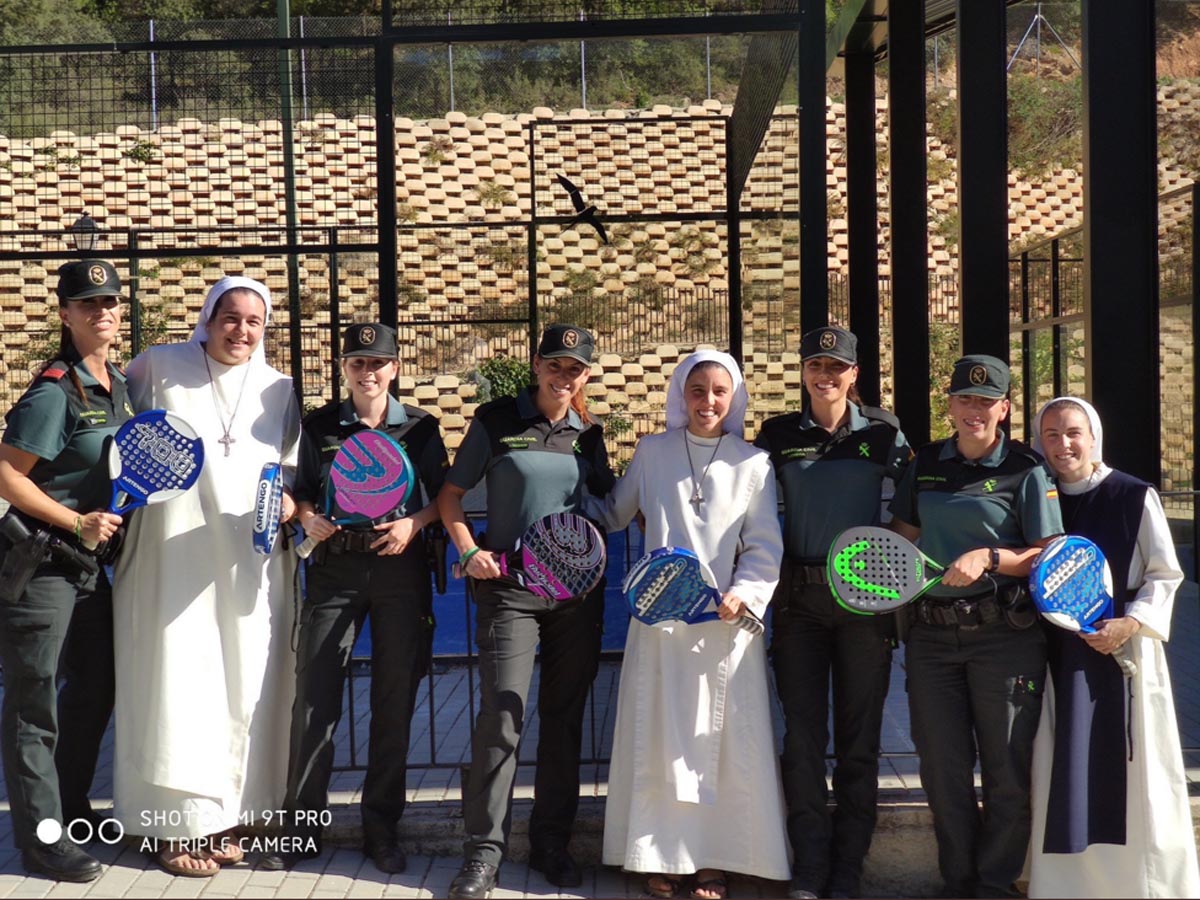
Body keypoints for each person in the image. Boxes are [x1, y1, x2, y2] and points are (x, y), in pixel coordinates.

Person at [112, 276, 300, 877]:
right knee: (175, 684)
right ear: (208, 317)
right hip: (169, 558)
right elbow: (118, 437)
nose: (241, 331)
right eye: (230, 317)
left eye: (253, 321)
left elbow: (291, 475)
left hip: (249, 566)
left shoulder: (280, 390)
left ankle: (231, 815)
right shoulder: (158, 368)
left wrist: (293, 504)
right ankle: (173, 827)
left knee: (246, 686)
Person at [592, 349, 789, 900]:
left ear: (735, 398)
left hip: (726, 627)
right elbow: (612, 511)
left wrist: (744, 594)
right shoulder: (652, 453)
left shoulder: (754, 463)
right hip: (661, 627)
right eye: (697, 390)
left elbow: (763, 544)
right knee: (660, 743)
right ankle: (662, 856)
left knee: (723, 747)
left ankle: (715, 860)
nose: (707, 402)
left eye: (718, 391)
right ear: (682, 394)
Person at [437, 324, 615, 900]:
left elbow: (609, 506)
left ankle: (552, 845)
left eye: (575, 369)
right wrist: (468, 551)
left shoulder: (590, 434)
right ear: (536, 365)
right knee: (502, 718)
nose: (564, 377)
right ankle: (484, 855)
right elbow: (450, 497)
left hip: (574, 597)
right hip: (509, 590)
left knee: (564, 719)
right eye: (555, 365)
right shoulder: (497, 420)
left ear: (586, 376)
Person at [265, 322, 448, 874]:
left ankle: (381, 830)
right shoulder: (318, 426)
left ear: (395, 368)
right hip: (336, 570)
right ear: (343, 368)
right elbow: (298, 492)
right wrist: (308, 517)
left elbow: (446, 496)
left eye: (378, 363)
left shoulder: (420, 428)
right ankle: (301, 828)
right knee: (314, 700)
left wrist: (414, 524)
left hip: (400, 570)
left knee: (394, 701)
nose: (367, 372)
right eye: (357, 363)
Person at [889, 354, 1063, 898]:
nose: (975, 410)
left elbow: (1050, 555)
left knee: (1007, 769)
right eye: (965, 399)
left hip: (1003, 639)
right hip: (932, 638)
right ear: (951, 405)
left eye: (986, 401)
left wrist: (990, 556)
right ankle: (958, 881)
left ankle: (993, 883)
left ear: (1005, 408)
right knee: (942, 769)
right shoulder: (924, 464)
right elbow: (900, 541)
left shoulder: (1027, 469)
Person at [754, 327, 911, 900]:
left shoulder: (883, 431)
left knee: (858, 740)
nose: (826, 375)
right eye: (815, 364)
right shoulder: (777, 434)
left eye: (836, 366)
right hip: (799, 603)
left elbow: (916, 500)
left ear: (854, 374)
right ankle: (811, 865)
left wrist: (887, 557)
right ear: (802, 372)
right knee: (801, 739)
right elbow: (738, 501)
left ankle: (848, 867)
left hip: (863, 603)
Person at [1025, 397, 1200, 898]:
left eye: (1073, 432)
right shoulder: (1040, 495)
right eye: (1052, 434)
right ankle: (1063, 886)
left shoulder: (1131, 494)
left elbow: (1165, 574)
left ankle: (1140, 887)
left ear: (1094, 435)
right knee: (1060, 765)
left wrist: (1129, 623)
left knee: (1132, 774)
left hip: (1122, 656)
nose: (1063, 444)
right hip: (1056, 657)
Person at [0, 260, 130, 882]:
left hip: (88, 569)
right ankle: (43, 840)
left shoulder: (118, 386)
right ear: (65, 314)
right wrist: (75, 522)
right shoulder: (56, 390)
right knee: (34, 708)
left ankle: (72, 810)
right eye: (86, 304)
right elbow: (5, 476)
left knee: (96, 687)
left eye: (108, 302)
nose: (101, 311)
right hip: (44, 568)